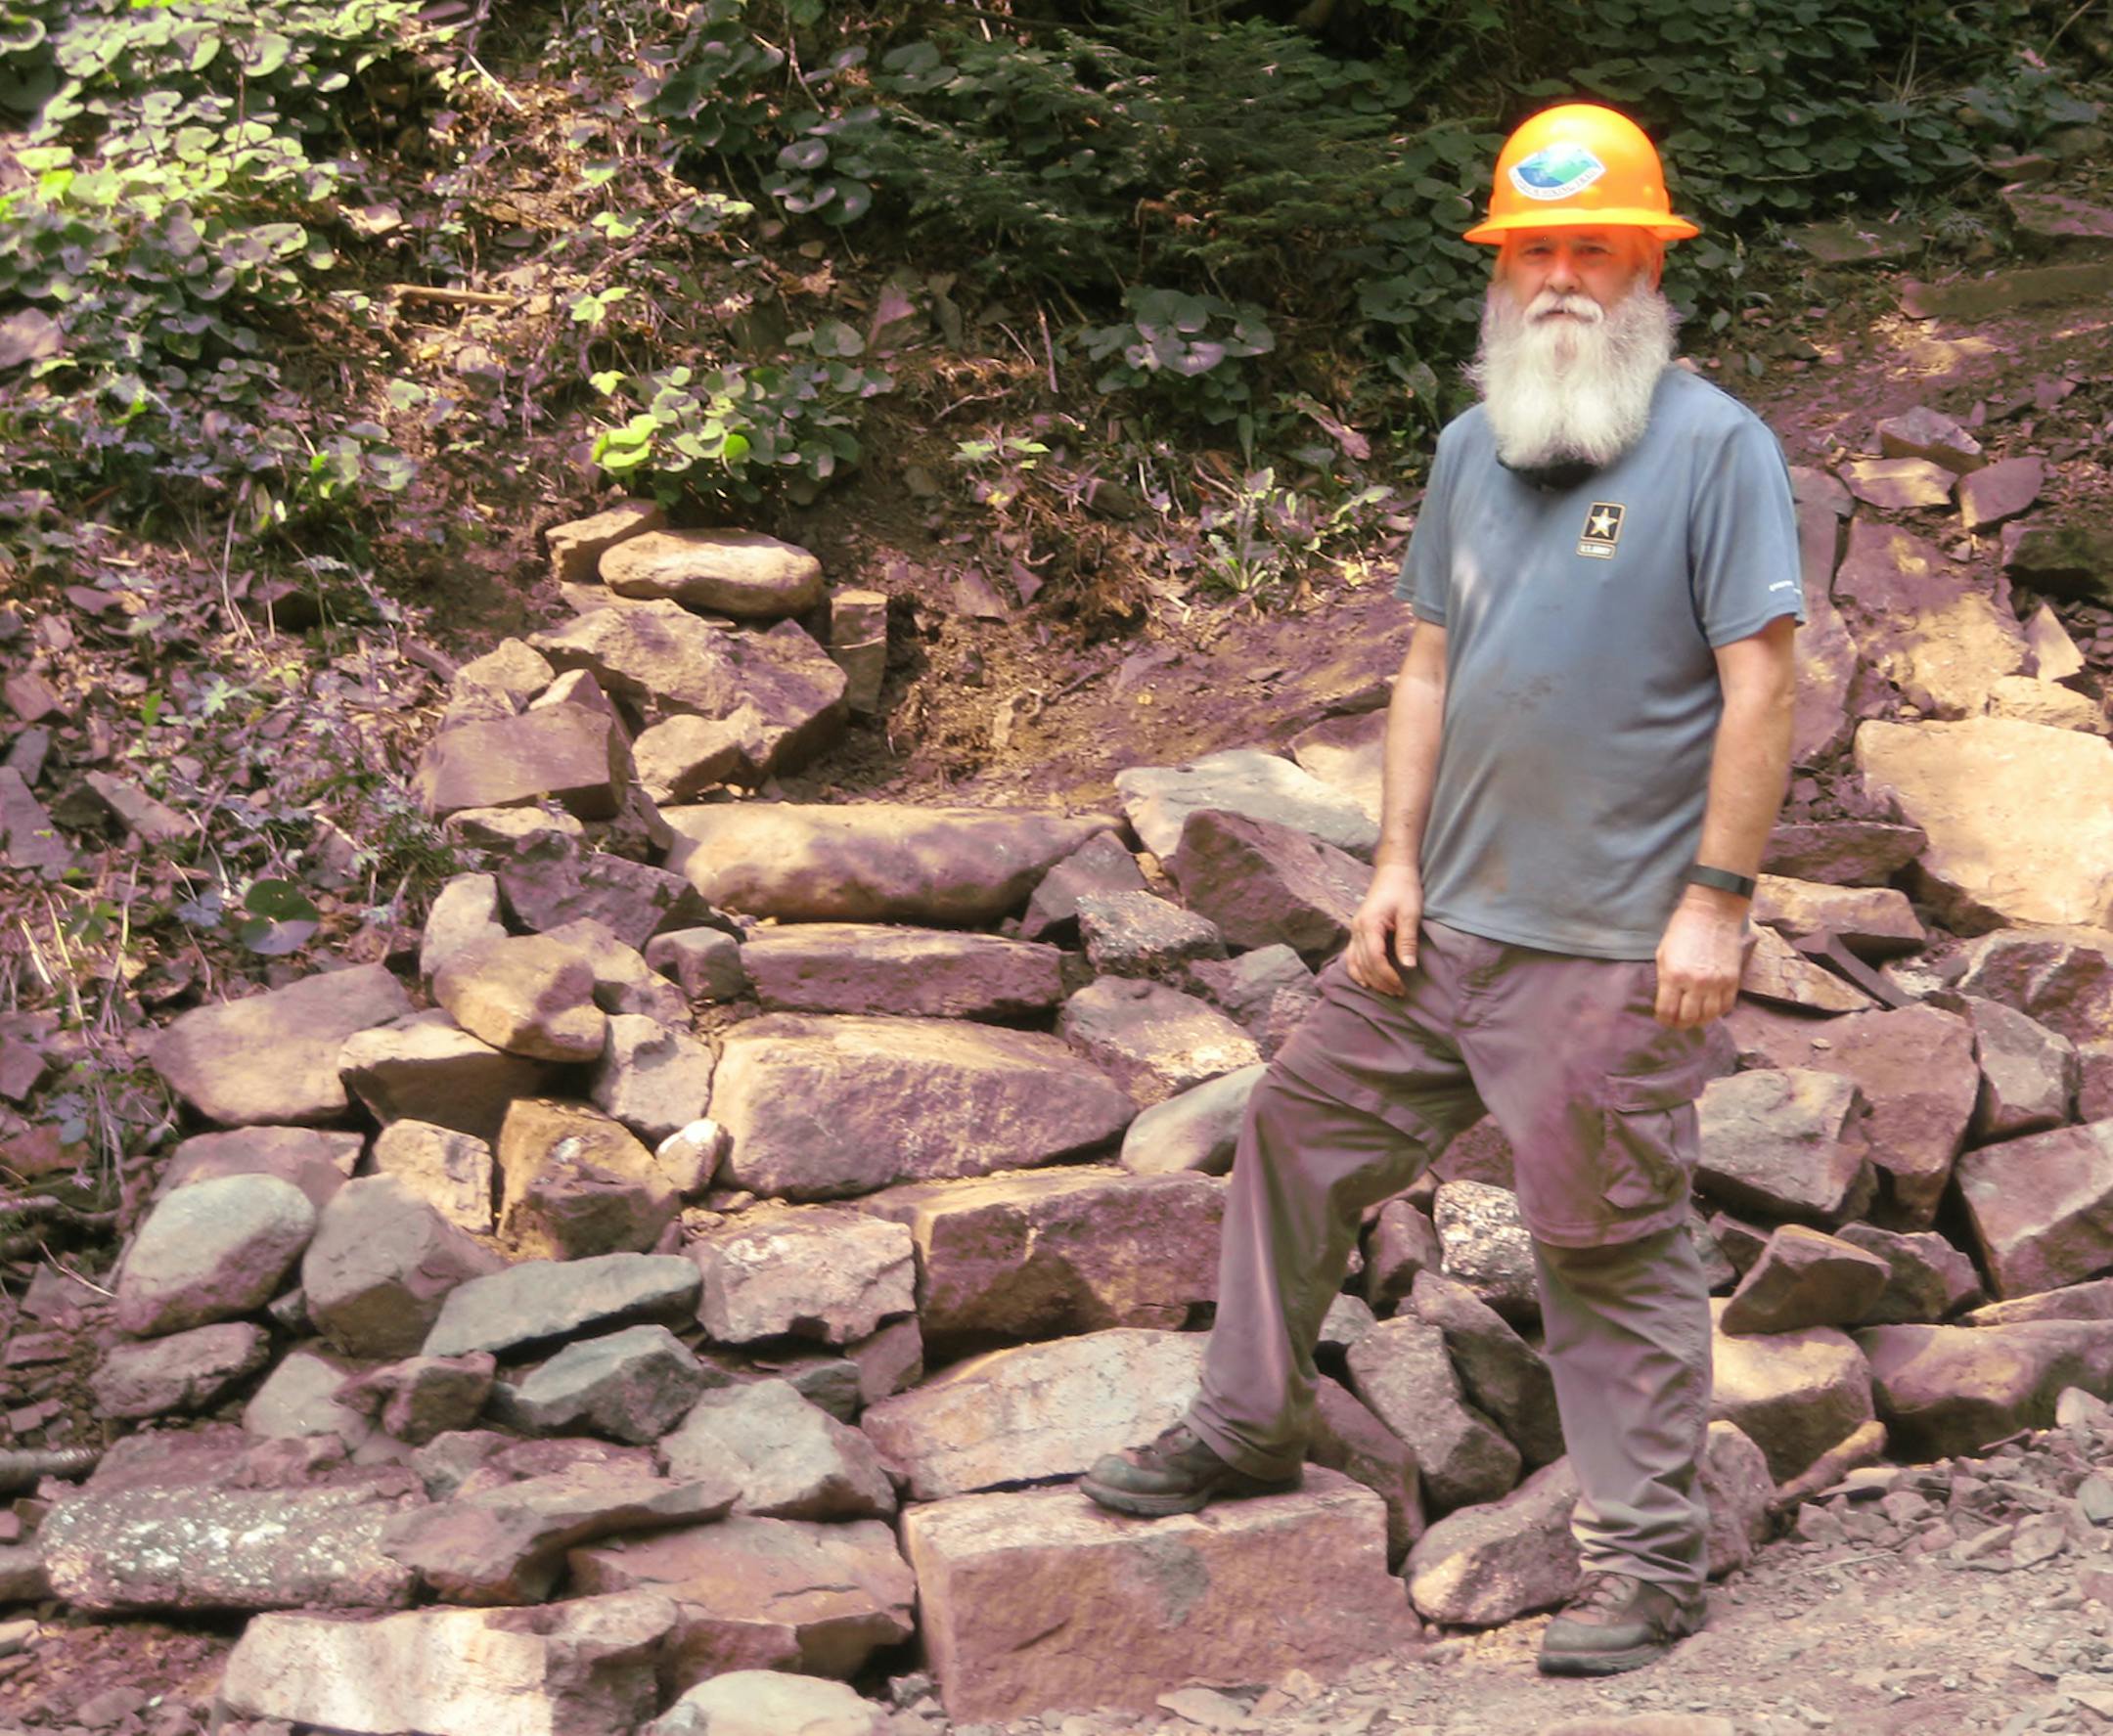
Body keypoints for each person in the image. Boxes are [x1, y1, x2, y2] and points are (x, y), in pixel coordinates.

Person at [1081, 102, 1803, 1678]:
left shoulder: (1717, 448)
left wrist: (1719, 901)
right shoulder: (1472, 447)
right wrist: (1389, 863)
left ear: (1648, 269)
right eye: (1533, 250)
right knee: (1287, 1132)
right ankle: (1248, 1422)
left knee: (1603, 1245)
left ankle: (1648, 1564)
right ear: (1499, 270)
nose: (1560, 279)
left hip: (1609, 945)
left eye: (1593, 251)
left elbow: (1761, 690)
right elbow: (1426, 667)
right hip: (1438, 926)